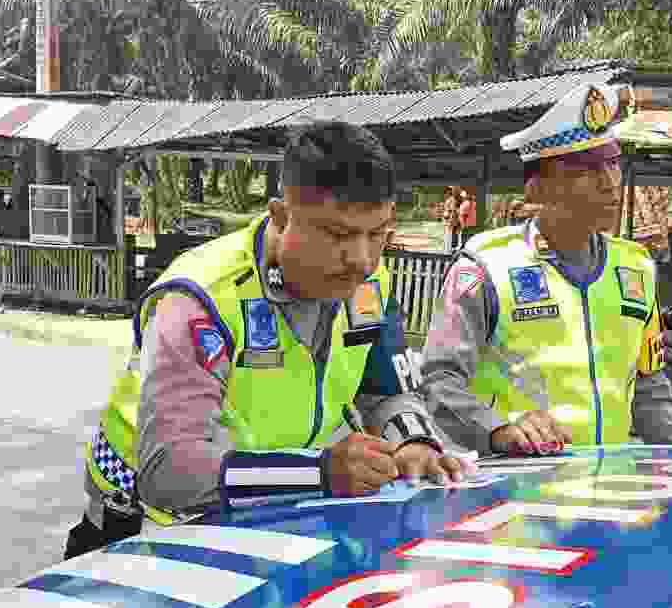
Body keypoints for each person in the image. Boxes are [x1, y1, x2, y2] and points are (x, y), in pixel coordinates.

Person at [66, 122, 466, 558]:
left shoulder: (370, 284)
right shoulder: (201, 299)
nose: (362, 260)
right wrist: (319, 473)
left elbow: (385, 390)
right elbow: (170, 472)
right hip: (145, 530)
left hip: (264, 515)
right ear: (280, 217)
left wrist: (413, 442)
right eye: (338, 235)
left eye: (377, 234)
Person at [420, 81, 672, 455]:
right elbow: (440, 381)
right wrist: (497, 429)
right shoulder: (488, 267)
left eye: (612, 163)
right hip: (516, 480)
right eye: (586, 169)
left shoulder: (635, 267)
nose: (610, 183)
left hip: (609, 481)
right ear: (537, 189)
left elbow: (649, 387)